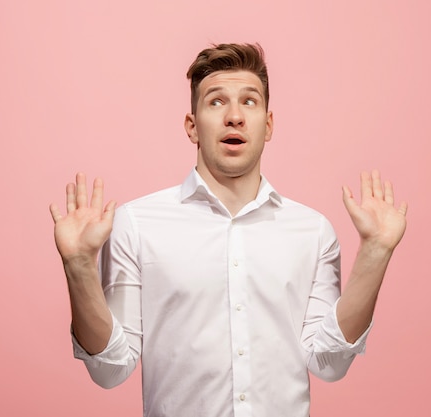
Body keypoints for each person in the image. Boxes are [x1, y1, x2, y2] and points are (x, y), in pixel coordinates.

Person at [49, 43, 407, 417]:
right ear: (192, 126)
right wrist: (78, 266)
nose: (234, 116)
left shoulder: (313, 232)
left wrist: (376, 252)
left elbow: (330, 363)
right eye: (216, 101)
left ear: (268, 125)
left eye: (249, 102)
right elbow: (110, 369)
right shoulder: (136, 224)